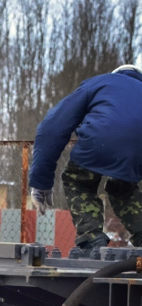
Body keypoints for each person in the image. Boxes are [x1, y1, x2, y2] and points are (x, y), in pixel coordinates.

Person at [29, 65, 142, 256]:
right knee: (123, 187)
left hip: (99, 143)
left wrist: (41, 183)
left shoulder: (98, 84)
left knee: (78, 181)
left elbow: (52, 128)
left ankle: (92, 240)